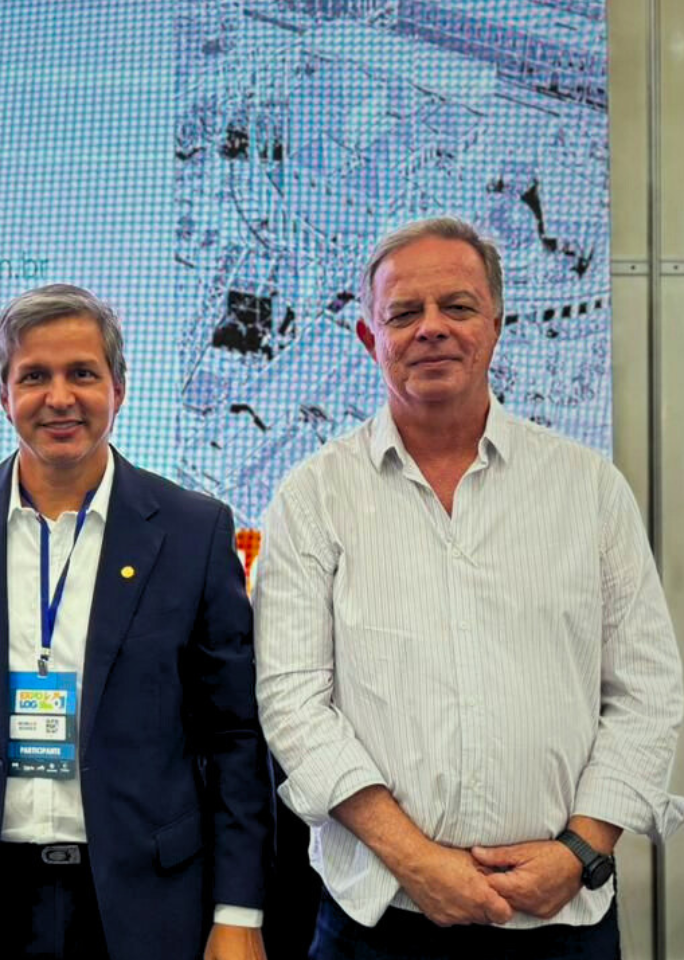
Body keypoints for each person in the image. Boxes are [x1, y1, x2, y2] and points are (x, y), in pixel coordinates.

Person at [254, 217, 684, 957]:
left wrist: (581, 850)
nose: (432, 328)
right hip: (376, 924)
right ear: (369, 337)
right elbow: (293, 700)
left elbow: (646, 690)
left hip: (562, 919)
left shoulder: (590, 491)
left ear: (496, 324)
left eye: (457, 306)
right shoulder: (312, 497)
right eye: (403, 313)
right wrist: (417, 862)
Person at [0, 284, 273, 960]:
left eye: (82, 374)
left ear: (119, 388)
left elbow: (234, 735)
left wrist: (239, 910)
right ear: (3, 394)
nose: (59, 398)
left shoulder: (193, 530)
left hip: (143, 903)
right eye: (34, 376)